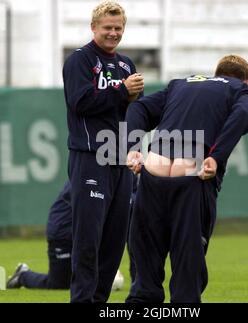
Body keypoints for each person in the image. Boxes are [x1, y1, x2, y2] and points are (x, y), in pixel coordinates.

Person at [125, 55, 248, 303]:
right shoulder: (243, 91)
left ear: (215, 73)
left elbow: (138, 107)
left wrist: (132, 147)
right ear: (246, 80)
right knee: (188, 272)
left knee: (145, 274)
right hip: (191, 177)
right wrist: (217, 156)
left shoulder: (180, 84)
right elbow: (242, 116)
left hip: (152, 171)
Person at [63, 1, 143, 303]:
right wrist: (122, 90)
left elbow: (135, 114)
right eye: (108, 27)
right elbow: (79, 101)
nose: (113, 33)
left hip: (120, 162)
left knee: (113, 242)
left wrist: (135, 149)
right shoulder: (80, 60)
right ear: (94, 27)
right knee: (88, 241)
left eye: (118, 28)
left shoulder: (126, 65)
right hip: (90, 157)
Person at [6, 181, 125, 291]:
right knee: (58, 284)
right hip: (62, 232)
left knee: (84, 277)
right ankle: (23, 275)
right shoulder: (87, 175)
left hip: (81, 230)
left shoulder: (109, 175)